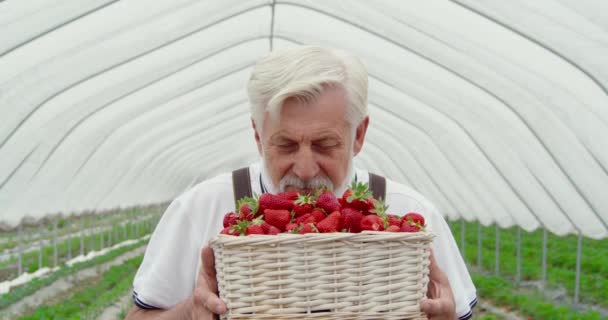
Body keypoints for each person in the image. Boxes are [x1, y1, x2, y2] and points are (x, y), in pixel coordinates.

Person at [125, 46, 476, 320]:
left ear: (359, 135)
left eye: (325, 145)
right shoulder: (201, 209)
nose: (306, 170)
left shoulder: (410, 214)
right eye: (285, 145)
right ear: (258, 136)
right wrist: (190, 312)